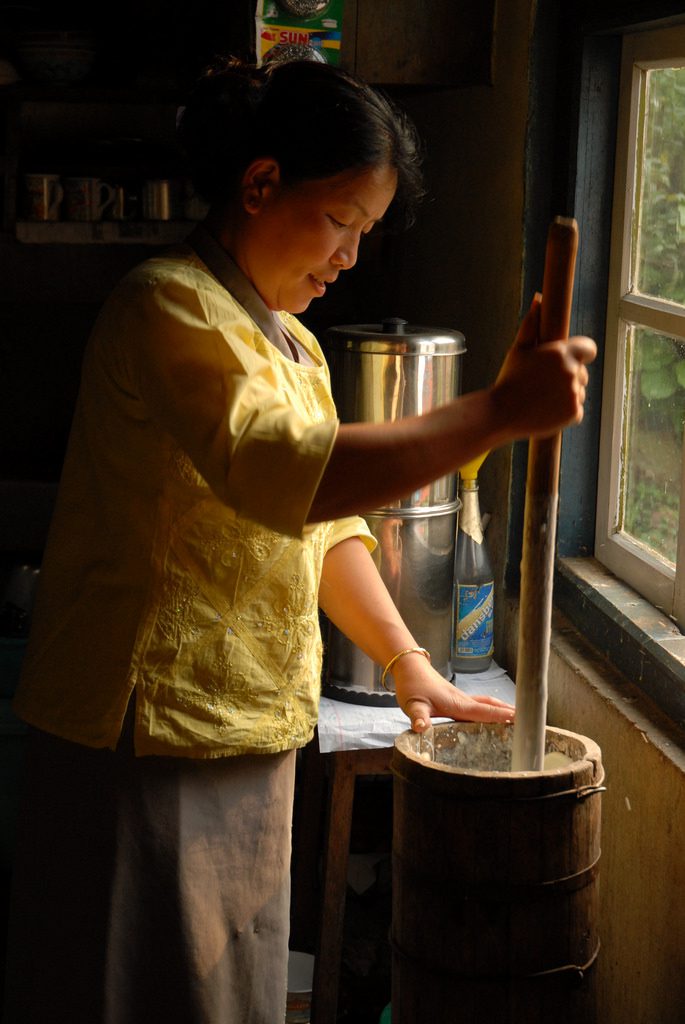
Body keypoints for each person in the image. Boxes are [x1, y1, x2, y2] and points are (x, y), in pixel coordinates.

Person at [3, 57, 596, 1024]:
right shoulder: (167, 307)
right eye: (340, 221)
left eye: (365, 234)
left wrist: (408, 661)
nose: (349, 258)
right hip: (144, 739)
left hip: (252, 730)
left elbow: (327, 527)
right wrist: (491, 414)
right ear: (261, 184)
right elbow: (281, 471)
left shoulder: (294, 343)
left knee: (224, 998)